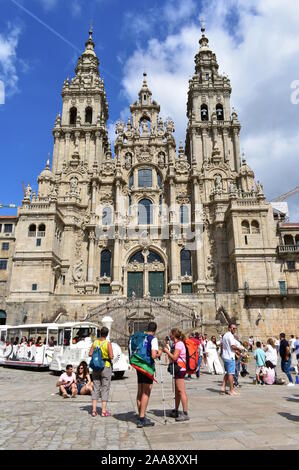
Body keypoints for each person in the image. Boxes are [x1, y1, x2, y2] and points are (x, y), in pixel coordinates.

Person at [134, 322, 162, 428]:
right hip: (147, 366)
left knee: (140, 390)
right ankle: (142, 418)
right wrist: (160, 353)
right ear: (155, 330)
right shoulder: (153, 339)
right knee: (146, 392)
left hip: (139, 365)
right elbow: (154, 355)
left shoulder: (141, 337)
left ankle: (141, 414)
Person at [164, 328, 189, 421]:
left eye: (170, 333)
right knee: (177, 391)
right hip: (178, 368)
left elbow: (174, 357)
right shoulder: (177, 344)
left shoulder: (179, 344)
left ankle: (185, 413)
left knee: (181, 391)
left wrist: (167, 352)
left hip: (180, 368)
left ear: (173, 335)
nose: (169, 335)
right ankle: (176, 410)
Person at [89, 326, 114, 417]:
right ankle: (103, 411)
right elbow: (111, 356)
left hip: (96, 367)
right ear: (107, 334)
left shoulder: (95, 342)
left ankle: (94, 410)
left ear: (100, 333)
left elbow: (90, 353)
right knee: (105, 387)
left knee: (95, 387)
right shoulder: (107, 343)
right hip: (105, 366)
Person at [220, 323, 243, 396]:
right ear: (229, 328)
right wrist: (239, 349)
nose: (234, 330)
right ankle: (231, 390)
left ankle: (223, 387)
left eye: (235, 328)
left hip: (225, 356)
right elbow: (233, 346)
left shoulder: (225, 335)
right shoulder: (230, 335)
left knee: (227, 373)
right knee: (231, 374)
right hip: (230, 357)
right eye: (233, 328)